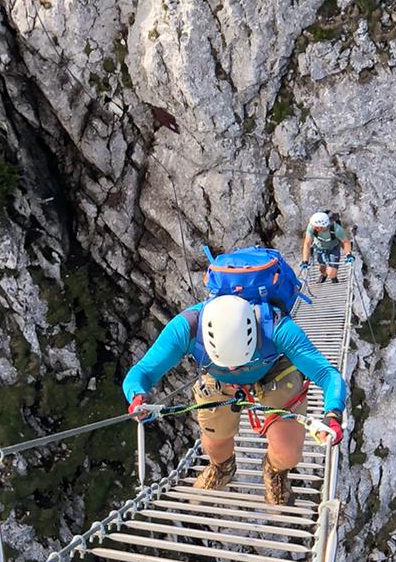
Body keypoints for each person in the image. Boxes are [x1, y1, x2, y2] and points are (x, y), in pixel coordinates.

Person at [123, 281, 346, 507]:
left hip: (274, 367)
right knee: (215, 441)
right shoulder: (186, 328)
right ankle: (222, 467)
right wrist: (137, 397)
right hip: (218, 375)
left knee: (287, 452)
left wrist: (333, 414)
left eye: (238, 361)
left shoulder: (277, 328)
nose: (234, 368)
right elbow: (142, 373)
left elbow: (326, 374)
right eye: (229, 362)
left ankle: (275, 471)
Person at [301, 211, 353, 284]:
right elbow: (307, 243)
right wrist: (305, 261)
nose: (314, 228)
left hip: (333, 248)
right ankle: (324, 275)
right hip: (320, 248)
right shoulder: (312, 227)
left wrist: (348, 254)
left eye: (316, 227)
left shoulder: (337, 229)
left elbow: (345, 242)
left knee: (331, 273)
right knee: (322, 268)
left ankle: (333, 277)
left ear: (322, 226)